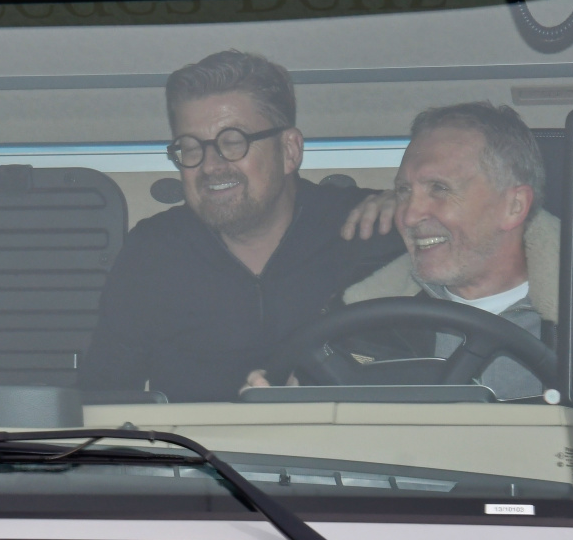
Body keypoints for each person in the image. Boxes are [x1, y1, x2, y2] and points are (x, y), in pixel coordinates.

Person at [78, 50, 404, 401]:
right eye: (190, 148)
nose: (210, 166)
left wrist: (412, 206)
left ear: (289, 150)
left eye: (233, 143)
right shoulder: (154, 253)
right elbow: (101, 396)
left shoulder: (370, 225)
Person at [250, 102, 556, 399]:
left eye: (439, 188)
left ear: (514, 206)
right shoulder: (360, 324)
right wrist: (290, 401)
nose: (409, 215)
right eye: (403, 191)